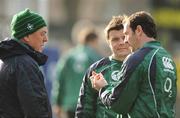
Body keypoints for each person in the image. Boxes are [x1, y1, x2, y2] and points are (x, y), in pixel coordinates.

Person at [91, 11, 177, 117]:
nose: (126, 40)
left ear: (139, 30)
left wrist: (103, 88)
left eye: (126, 34)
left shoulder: (138, 58)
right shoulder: (167, 58)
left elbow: (118, 104)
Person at [75, 16, 132, 118]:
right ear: (108, 42)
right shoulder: (97, 70)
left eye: (124, 37)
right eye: (115, 39)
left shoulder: (144, 65)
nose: (121, 42)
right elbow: (85, 110)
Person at [0, 8, 52, 118]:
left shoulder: (8, 60)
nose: (46, 39)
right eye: (42, 34)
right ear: (27, 36)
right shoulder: (24, 64)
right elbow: (35, 110)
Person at [53, 26, 102, 118]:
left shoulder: (68, 56)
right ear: (94, 41)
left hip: (69, 105)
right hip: (88, 105)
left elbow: (60, 81)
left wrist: (57, 103)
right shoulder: (96, 57)